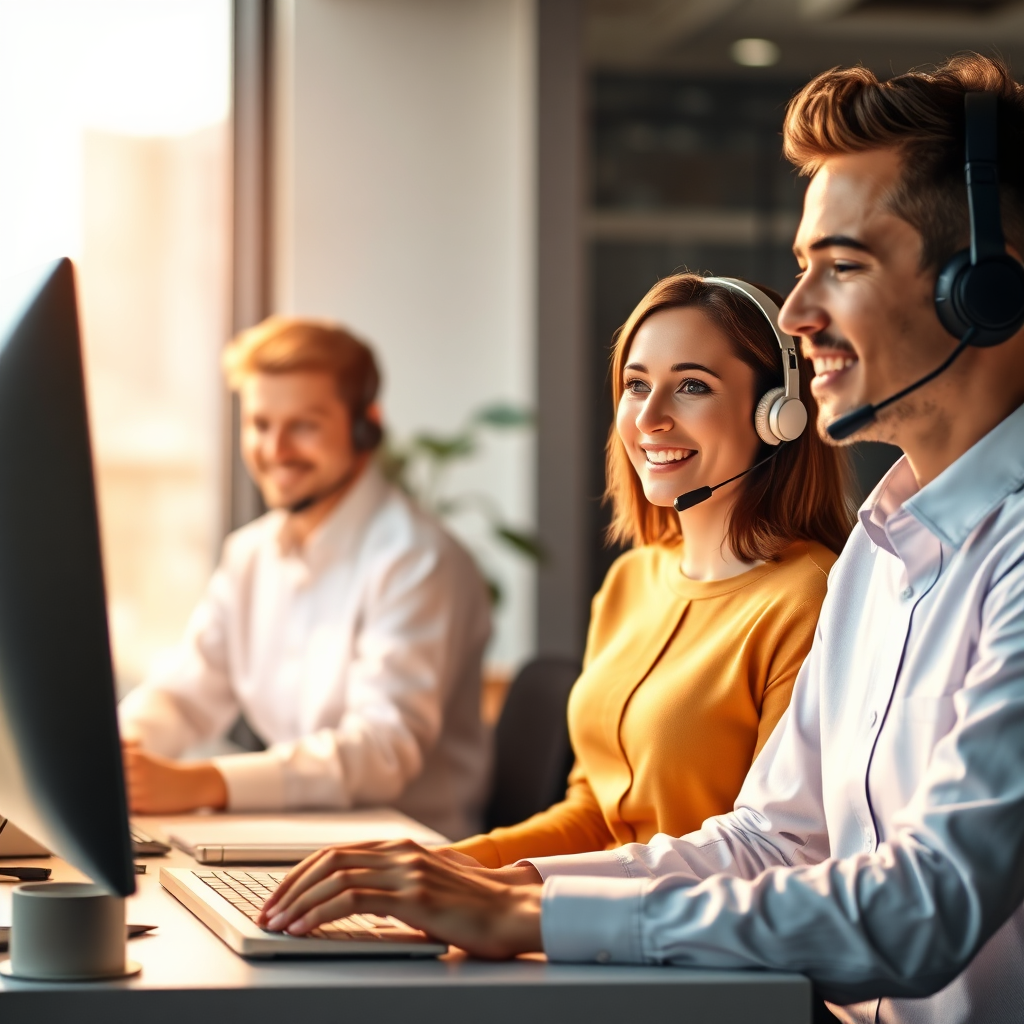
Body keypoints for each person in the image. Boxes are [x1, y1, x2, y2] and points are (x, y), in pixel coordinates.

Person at [258, 55, 1024, 1024]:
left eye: (841, 266)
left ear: (982, 287)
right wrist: (497, 886)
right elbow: (771, 838)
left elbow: (919, 911)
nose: (796, 315)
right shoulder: (882, 546)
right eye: (801, 270)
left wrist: (540, 916)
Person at [442, 273, 852, 869]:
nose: (650, 417)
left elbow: (776, 853)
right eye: (636, 385)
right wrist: (447, 865)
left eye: (691, 385)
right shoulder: (631, 583)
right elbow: (592, 816)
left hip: (694, 938)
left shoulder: (809, 598)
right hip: (583, 921)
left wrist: (506, 889)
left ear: (776, 415)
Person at [118, 317, 491, 840]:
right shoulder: (250, 555)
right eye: (260, 424)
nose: (274, 449)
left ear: (367, 426)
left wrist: (203, 783)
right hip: (292, 839)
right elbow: (186, 694)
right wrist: (120, 753)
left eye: (304, 425)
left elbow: (382, 750)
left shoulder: (416, 559)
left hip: (403, 857)